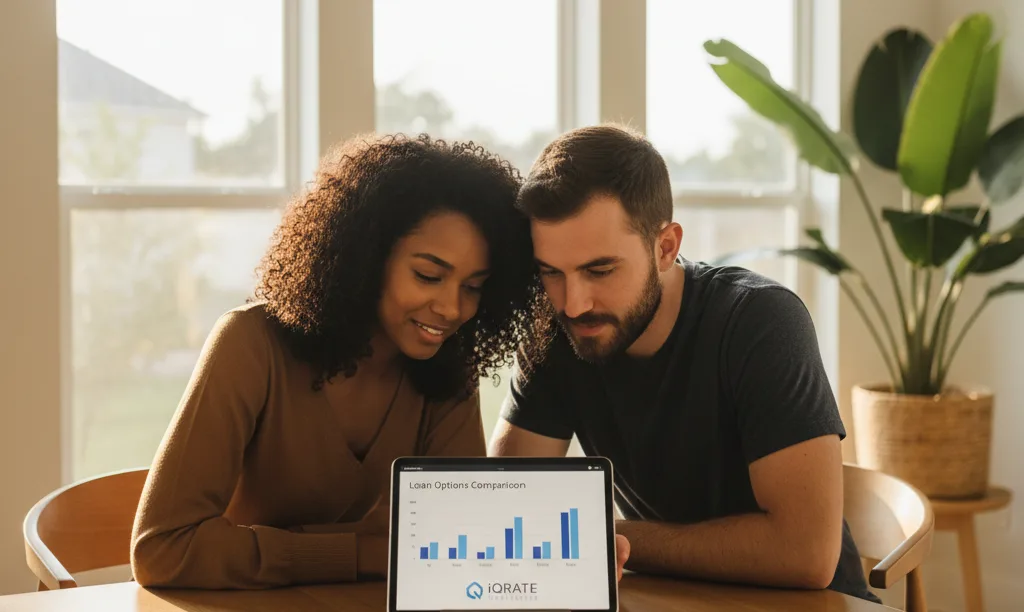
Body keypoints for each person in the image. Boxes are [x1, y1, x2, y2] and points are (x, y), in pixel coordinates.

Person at [131, 134, 544, 589]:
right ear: (366, 256)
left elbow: (455, 542)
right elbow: (162, 549)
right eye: (428, 275)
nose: (451, 308)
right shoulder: (249, 344)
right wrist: (363, 552)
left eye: (473, 287)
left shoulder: (449, 365)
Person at [489, 125, 878, 602]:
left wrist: (608, 539)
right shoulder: (559, 330)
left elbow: (806, 554)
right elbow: (510, 508)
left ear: (666, 247)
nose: (574, 303)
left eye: (600, 270)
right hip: (665, 598)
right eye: (552, 272)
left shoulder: (760, 321)